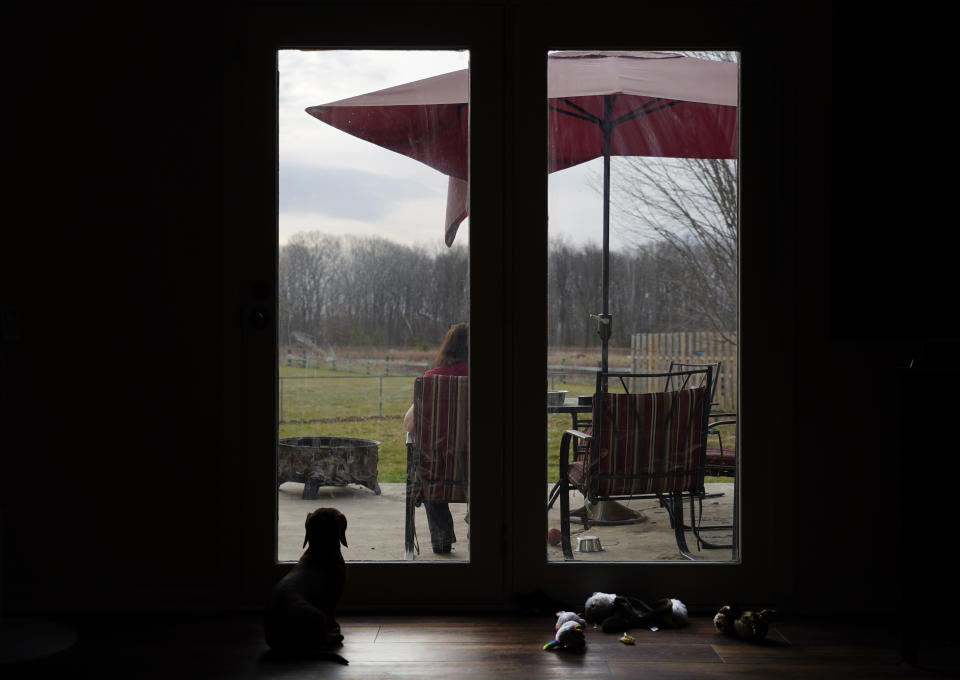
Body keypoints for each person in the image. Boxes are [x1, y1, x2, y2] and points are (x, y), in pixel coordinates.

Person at [404, 323, 468, 554]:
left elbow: (410, 424)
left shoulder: (430, 380)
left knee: (428, 464)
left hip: (438, 474)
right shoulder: (491, 380)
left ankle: (442, 538)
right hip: (477, 472)